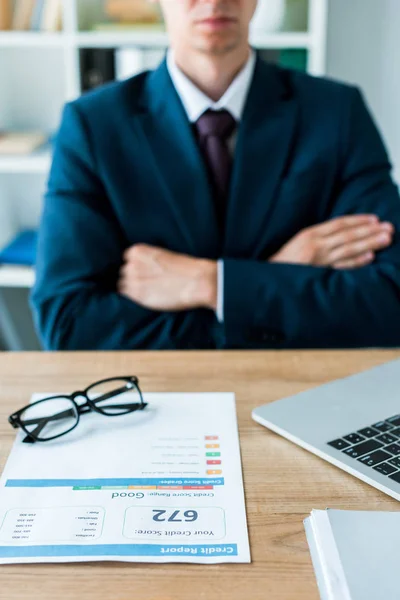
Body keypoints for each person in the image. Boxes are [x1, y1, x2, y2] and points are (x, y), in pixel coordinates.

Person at [31, 0, 400, 351]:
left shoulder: (336, 113)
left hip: (304, 392)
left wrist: (209, 284)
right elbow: (69, 324)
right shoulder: (93, 125)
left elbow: (389, 302)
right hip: (148, 396)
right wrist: (275, 278)